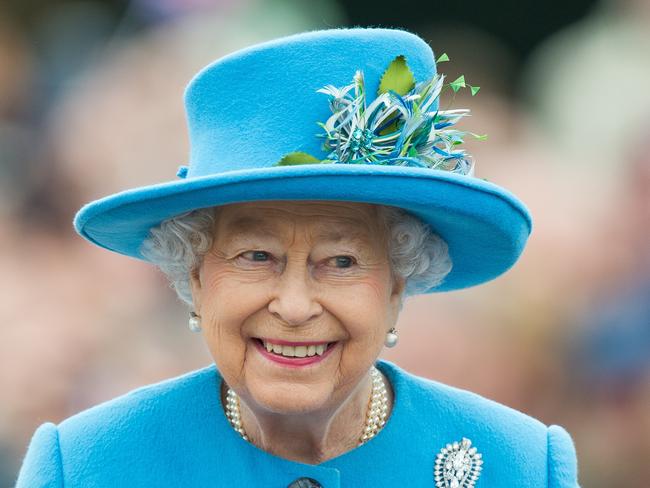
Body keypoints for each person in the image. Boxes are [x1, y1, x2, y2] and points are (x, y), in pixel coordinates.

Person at [15, 27, 580, 487]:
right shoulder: (88, 466)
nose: (293, 305)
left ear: (397, 286)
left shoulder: (520, 466)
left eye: (340, 262)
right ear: (194, 275)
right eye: (256, 255)